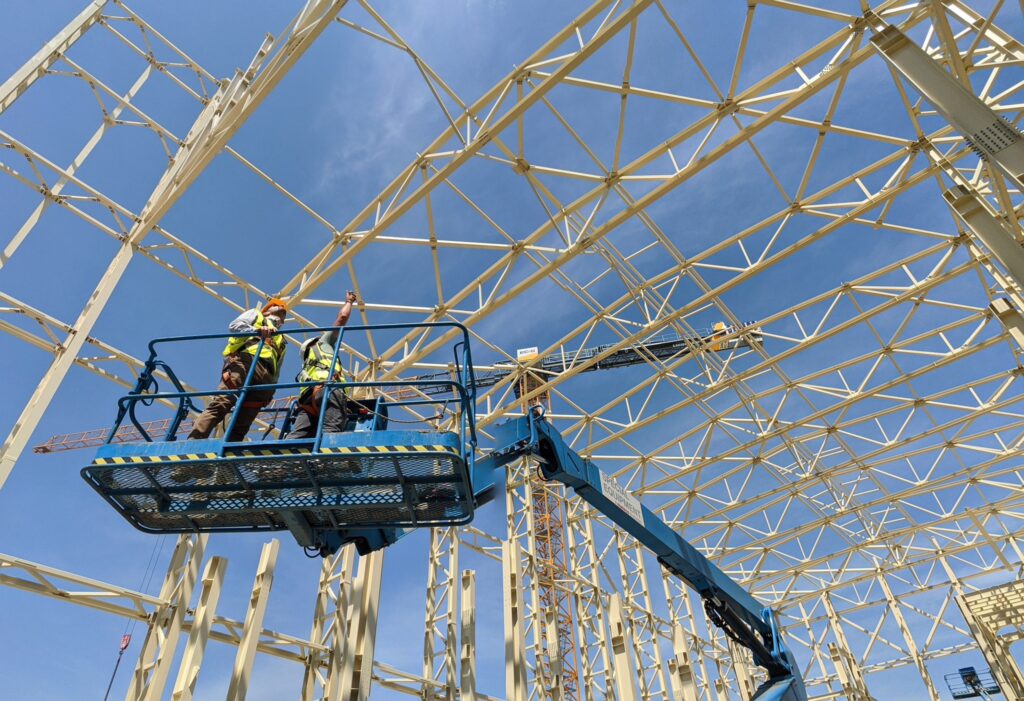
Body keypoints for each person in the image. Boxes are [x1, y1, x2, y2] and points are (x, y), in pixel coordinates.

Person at [188, 298, 289, 442]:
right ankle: (194, 441)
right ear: (267, 310)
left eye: (283, 313)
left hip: (265, 376)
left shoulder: (281, 340)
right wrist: (257, 330)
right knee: (222, 403)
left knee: (245, 419)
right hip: (245, 361)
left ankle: (229, 452)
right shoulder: (256, 315)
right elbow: (235, 326)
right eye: (277, 308)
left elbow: (278, 366)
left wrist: (272, 387)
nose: (281, 313)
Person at [285, 290, 358, 439]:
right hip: (328, 389)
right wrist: (349, 302)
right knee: (331, 432)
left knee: (297, 436)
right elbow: (342, 318)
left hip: (306, 400)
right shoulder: (322, 343)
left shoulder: (307, 366)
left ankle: (281, 461)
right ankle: (327, 462)